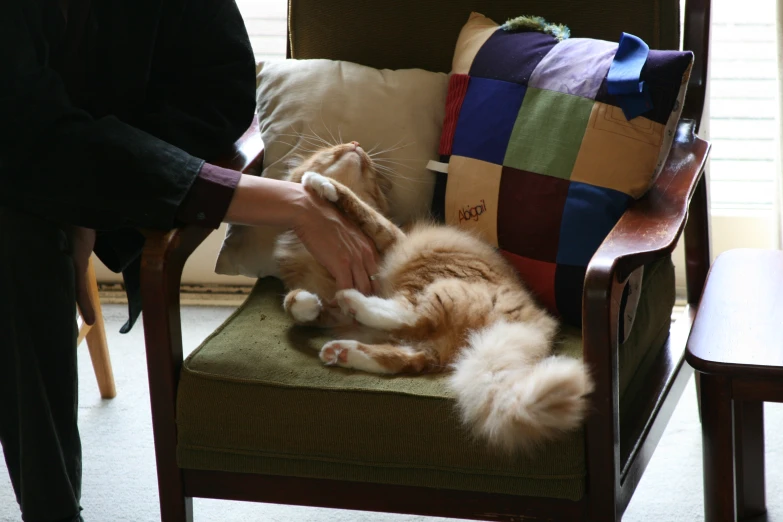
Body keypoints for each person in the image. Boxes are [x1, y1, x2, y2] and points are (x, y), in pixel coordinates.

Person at [0, 1, 379, 521]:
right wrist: (290, 204)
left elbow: (219, 96)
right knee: (18, 239)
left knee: (29, 232)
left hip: (47, 169)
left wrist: (88, 192)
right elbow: (23, 130)